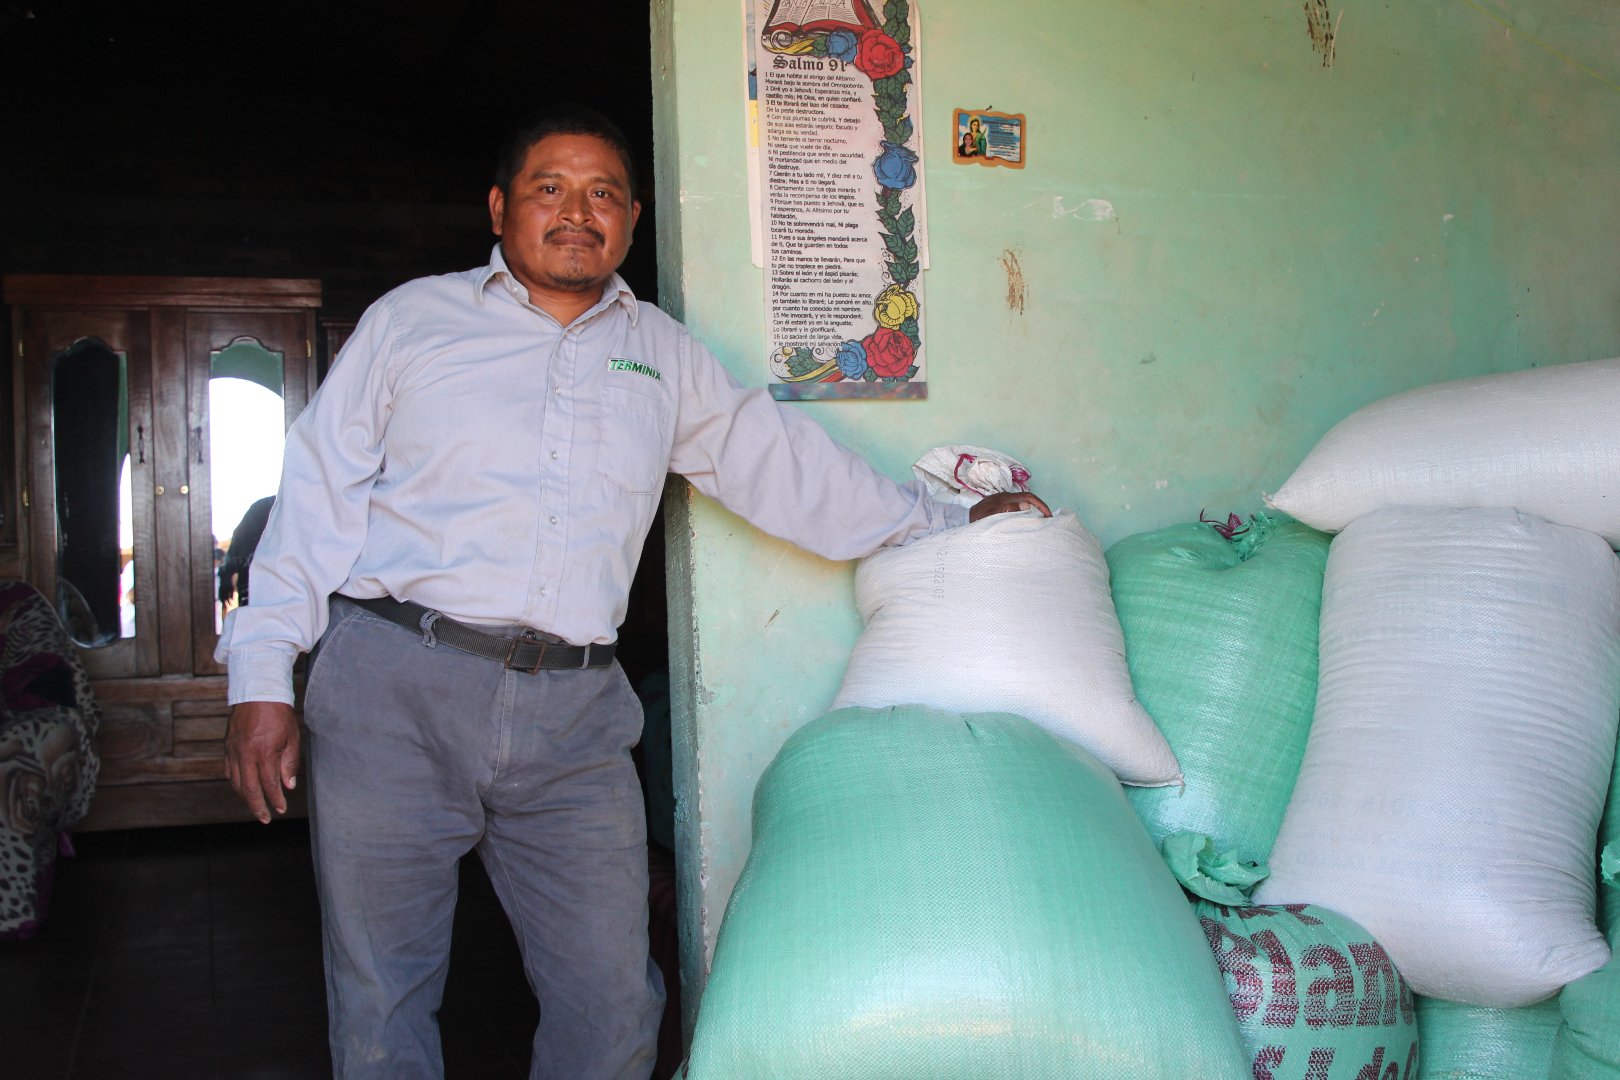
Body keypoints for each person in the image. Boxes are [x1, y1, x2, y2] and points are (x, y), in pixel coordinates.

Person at [218, 103, 1049, 1080]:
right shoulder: (412, 323)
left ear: (633, 218)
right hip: (396, 686)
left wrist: (940, 522)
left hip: (573, 720)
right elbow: (313, 498)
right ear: (499, 208)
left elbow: (776, 464)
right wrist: (261, 675)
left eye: (604, 193)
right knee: (382, 1001)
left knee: (614, 1009)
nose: (579, 211)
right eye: (550, 188)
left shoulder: (660, 352)